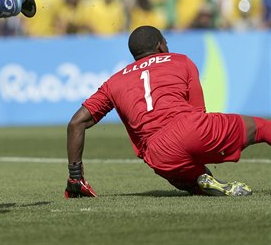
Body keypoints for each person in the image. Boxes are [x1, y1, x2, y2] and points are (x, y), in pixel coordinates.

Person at [64, 25, 271, 198]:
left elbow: (76, 123)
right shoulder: (181, 60)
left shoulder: (114, 81)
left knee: (183, 176)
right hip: (192, 129)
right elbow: (198, 112)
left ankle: (201, 180)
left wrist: (76, 176)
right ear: (160, 45)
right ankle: (201, 175)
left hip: (158, 152)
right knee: (262, 127)